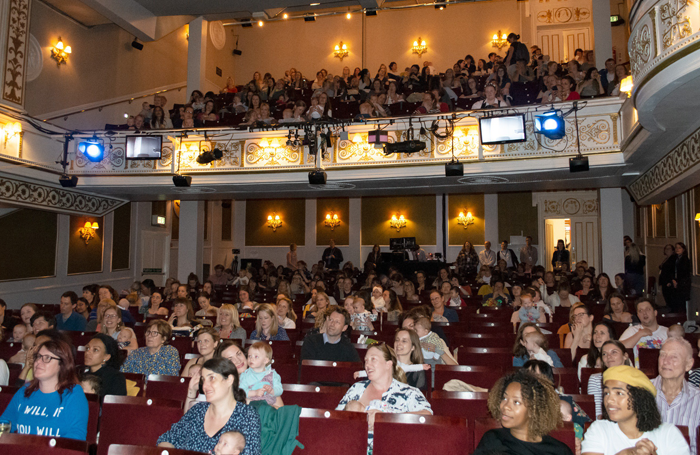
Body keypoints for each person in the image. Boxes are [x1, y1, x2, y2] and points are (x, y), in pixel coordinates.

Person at [336, 344, 432, 452]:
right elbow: (336, 420)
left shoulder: (409, 392)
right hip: (354, 448)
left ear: (388, 364)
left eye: (373, 359)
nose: (367, 364)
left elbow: (427, 416)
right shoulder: (356, 389)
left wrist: (385, 418)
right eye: (366, 360)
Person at [157, 358, 262, 455]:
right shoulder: (197, 410)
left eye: (211, 378)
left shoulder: (247, 416)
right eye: (203, 379)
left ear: (229, 380)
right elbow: (167, 440)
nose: (205, 386)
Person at [581, 365, 690, 455]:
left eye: (619, 393)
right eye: (606, 393)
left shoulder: (668, 434)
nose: (609, 400)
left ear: (640, 398)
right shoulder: (599, 429)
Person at [0, 338, 88, 440]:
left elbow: (76, 437)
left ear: (62, 364)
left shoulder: (73, 394)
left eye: (47, 358)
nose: (38, 362)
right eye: (38, 357)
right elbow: (5, 423)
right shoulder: (25, 391)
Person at [473, 370, 573, 455]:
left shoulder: (559, 451)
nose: (505, 406)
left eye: (516, 402)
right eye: (504, 398)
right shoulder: (492, 440)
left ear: (533, 409)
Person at [652, 337, 700, 455]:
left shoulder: (698, 400)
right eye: (662, 355)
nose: (666, 361)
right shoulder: (641, 392)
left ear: (688, 364)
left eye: (674, 357)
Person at [588, 340, 631, 418]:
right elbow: (597, 414)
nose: (608, 356)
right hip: (607, 423)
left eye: (614, 352)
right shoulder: (595, 379)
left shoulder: (635, 378)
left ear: (625, 356)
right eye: (604, 354)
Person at [620, 299, 668, 368]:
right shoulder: (632, 331)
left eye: (647, 309)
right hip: (637, 374)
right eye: (640, 311)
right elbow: (618, 349)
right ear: (638, 315)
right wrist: (639, 334)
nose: (644, 313)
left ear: (655, 313)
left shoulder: (667, 332)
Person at [239, 342, 283, 408]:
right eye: (249, 356)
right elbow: (242, 391)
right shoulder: (245, 375)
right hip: (252, 408)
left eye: (256, 356)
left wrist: (272, 390)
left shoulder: (272, 374)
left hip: (270, 408)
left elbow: (279, 390)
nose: (251, 359)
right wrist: (255, 393)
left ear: (265, 360)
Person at [668, 242, 692, 314]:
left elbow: (684, 272)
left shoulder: (685, 260)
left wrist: (678, 281)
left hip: (682, 282)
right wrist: (672, 279)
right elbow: (669, 269)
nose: (677, 249)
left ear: (683, 249)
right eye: (676, 248)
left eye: (679, 248)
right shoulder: (673, 258)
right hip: (674, 280)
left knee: (681, 301)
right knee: (673, 299)